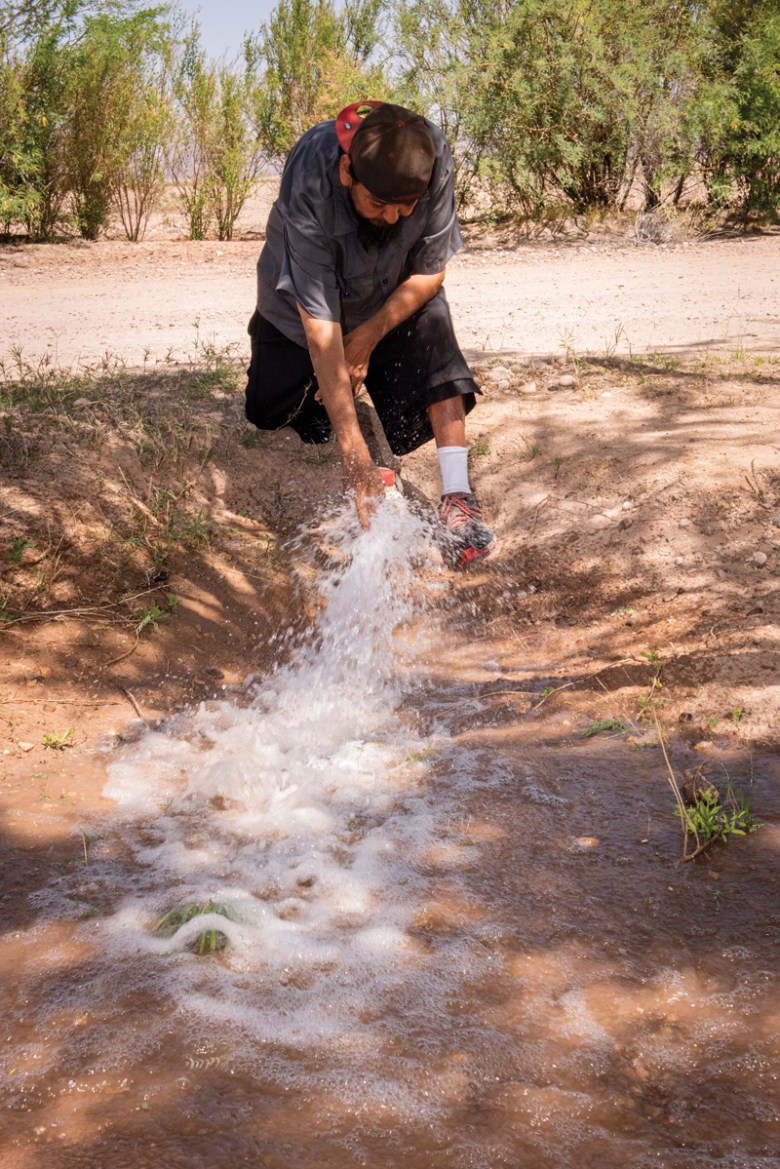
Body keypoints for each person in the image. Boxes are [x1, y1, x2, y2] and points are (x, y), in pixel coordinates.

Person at [245, 99, 495, 566]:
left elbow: (431, 271)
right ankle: (361, 437)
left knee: (437, 333)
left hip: (388, 301)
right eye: (379, 203)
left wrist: (368, 335)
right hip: (300, 311)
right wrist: (354, 455)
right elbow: (319, 324)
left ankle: (458, 497)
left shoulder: (431, 157)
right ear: (347, 172)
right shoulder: (312, 174)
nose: (394, 218)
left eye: (408, 207)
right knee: (268, 407)